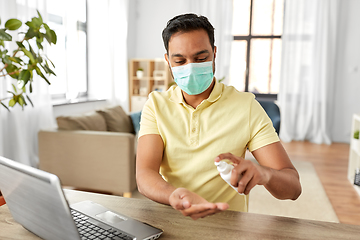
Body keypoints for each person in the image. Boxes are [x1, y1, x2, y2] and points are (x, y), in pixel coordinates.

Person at [136, 13, 302, 220]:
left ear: (214, 53)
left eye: (201, 58)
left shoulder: (246, 106)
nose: (191, 68)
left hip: (227, 226)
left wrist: (265, 174)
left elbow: (293, 188)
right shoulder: (156, 104)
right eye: (180, 60)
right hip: (171, 219)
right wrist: (173, 196)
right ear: (168, 60)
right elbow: (144, 174)